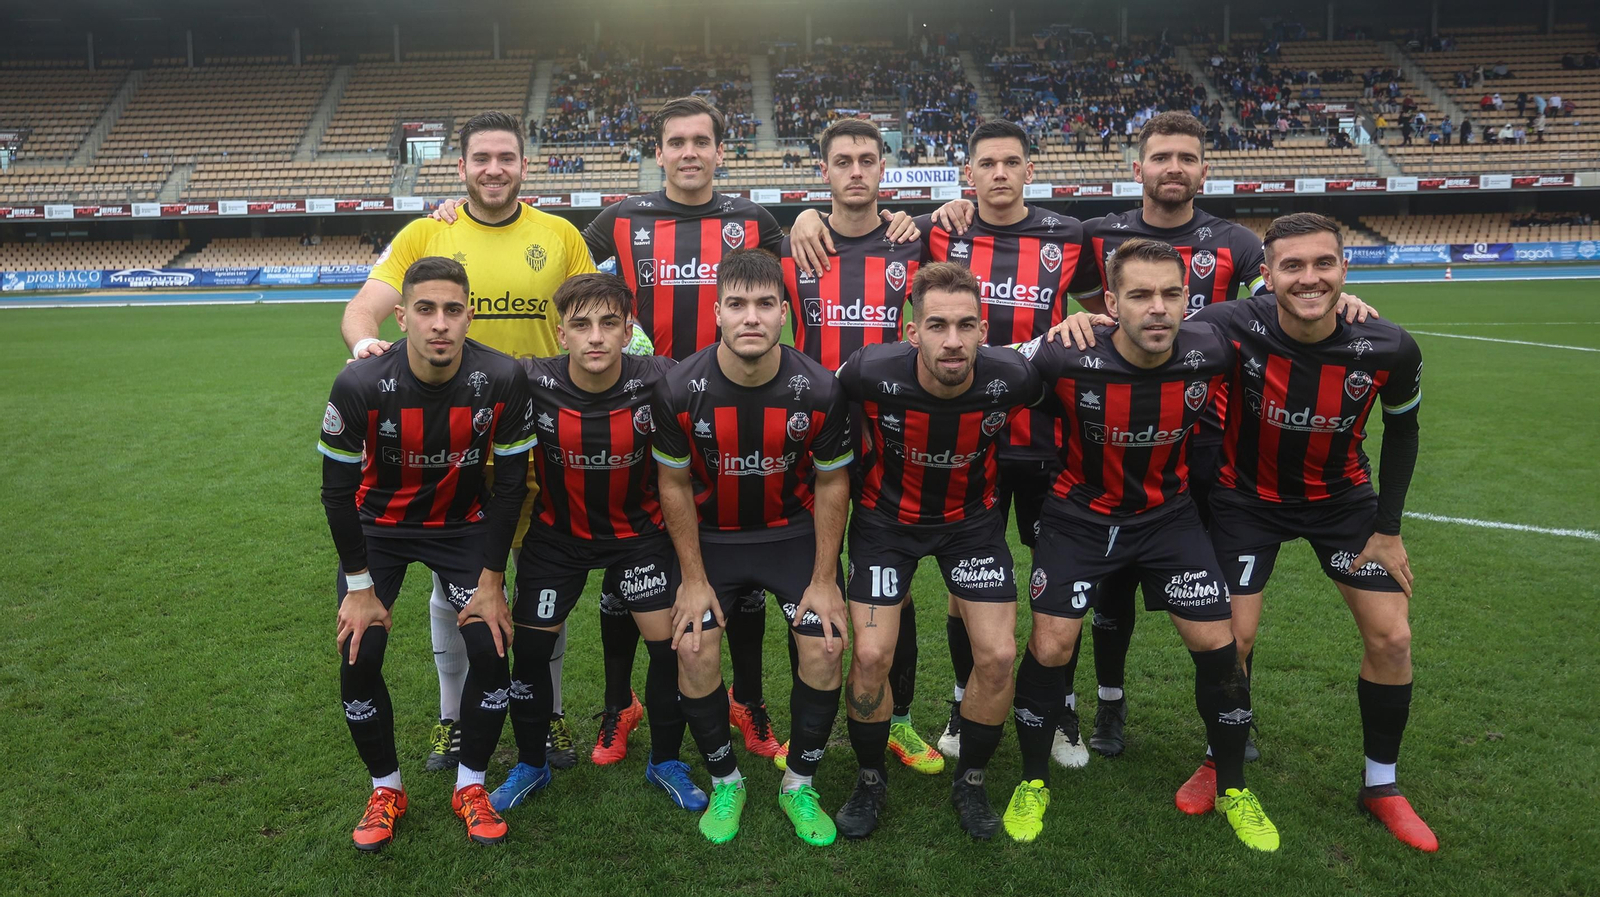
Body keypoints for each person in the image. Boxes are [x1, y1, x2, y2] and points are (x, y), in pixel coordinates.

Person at [429, 96, 791, 766]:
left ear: (721, 151)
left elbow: (787, 278)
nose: (689, 153)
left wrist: (819, 222)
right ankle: (619, 705)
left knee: (730, 573)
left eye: (701, 142)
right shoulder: (620, 219)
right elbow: (567, 275)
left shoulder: (755, 221)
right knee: (626, 559)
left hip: (730, 422)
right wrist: (460, 214)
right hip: (639, 416)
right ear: (658, 153)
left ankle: (747, 699)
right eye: (676, 142)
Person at [341, 111, 598, 774]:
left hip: (538, 442)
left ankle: (549, 709)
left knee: (541, 584)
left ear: (524, 165)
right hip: (447, 449)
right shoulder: (428, 232)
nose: (493, 168)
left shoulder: (560, 236)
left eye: (506, 157)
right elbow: (364, 307)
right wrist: (364, 346)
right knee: (452, 584)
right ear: (460, 166)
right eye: (481, 157)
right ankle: (452, 718)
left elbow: (594, 313)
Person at [1013, 238, 1275, 851]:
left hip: (1168, 519)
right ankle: (1031, 781)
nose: (1157, 307)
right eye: (1139, 295)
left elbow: (1295, 311)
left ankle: (1234, 787)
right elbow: (984, 364)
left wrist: (1349, 305)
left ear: (1187, 300)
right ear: (1111, 303)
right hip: (1078, 516)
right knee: (1051, 645)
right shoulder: (1066, 353)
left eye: (1170, 294)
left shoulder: (1213, 348)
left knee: (1221, 647)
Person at [320, 256, 536, 851]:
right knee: (359, 652)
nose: (439, 323)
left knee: (491, 649)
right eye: (425, 309)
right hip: (378, 529)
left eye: (452, 310)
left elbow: (510, 487)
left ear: (470, 316)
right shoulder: (360, 384)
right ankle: (386, 789)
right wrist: (359, 588)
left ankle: (471, 785)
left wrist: (492, 581)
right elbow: (336, 494)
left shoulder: (502, 377)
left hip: (461, 527)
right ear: (401, 316)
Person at [832, 263, 1043, 841]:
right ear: (912, 331)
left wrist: (1085, 325)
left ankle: (970, 780)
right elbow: (827, 414)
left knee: (997, 656)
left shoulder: (1012, 377)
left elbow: (1067, 380)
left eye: (966, 326)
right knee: (871, 655)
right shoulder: (869, 371)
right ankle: (870, 778)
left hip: (970, 526)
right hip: (884, 523)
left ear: (984, 331)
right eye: (937, 325)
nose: (953, 341)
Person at [651, 248, 855, 846]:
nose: (751, 317)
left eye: (766, 304)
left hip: (790, 536)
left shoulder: (820, 389)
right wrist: (693, 579)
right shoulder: (678, 388)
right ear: (716, 312)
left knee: (825, 645)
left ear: (784, 314)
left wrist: (824, 580)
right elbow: (673, 484)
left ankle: (799, 783)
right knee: (693, 647)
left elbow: (832, 483)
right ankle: (726, 781)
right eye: (737, 304)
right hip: (712, 539)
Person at [484, 272, 704, 814]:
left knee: (672, 649)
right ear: (561, 335)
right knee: (530, 652)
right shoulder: (529, 380)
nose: (596, 337)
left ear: (629, 330)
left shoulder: (662, 378)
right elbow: (464, 368)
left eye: (609, 323)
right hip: (558, 537)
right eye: (581, 325)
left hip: (639, 537)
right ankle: (531, 763)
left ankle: (666, 761)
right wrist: (380, 352)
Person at [779, 118, 940, 775]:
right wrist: (800, 219)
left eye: (866, 160)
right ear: (823, 171)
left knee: (893, 590)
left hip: (888, 440)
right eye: (841, 160)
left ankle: (899, 719)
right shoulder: (793, 247)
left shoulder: (913, 244)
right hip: (809, 440)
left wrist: (942, 211)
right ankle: (803, 726)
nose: (854, 170)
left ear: (882, 169)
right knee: (807, 584)